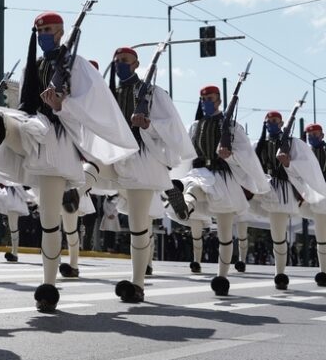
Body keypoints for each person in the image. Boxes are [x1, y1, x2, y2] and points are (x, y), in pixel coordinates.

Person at [0, 11, 138, 312]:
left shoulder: (77, 65)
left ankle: (48, 286)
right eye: (39, 29)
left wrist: (63, 104)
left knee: (49, 221)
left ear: (60, 32)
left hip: (58, 144)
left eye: (48, 29)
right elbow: (27, 104)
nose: (42, 33)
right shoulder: (39, 65)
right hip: (33, 132)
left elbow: (92, 110)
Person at [82, 46, 195, 303]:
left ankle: (138, 284)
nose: (120, 64)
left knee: (137, 225)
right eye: (117, 60)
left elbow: (172, 128)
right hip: (115, 155)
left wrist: (148, 124)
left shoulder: (153, 94)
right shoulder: (109, 95)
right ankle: (76, 194)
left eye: (125, 61)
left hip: (141, 162)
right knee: (90, 166)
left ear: (136, 64)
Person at [172, 85, 269, 296]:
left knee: (225, 234)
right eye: (203, 98)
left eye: (210, 98)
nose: (206, 101)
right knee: (192, 187)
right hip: (200, 171)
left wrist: (230, 155)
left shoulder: (232, 127)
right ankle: (185, 207)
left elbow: (247, 155)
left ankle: (222, 277)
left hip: (223, 178)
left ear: (219, 101)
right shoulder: (194, 126)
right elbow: (187, 152)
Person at [246, 111, 326, 289]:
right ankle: (280, 274)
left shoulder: (295, 144)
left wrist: (289, 164)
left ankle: (323, 271)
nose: (270, 124)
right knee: (277, 235)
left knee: (321, 235)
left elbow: (304, 169)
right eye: (268, 121)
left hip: (311, 193)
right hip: (274, 189)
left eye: (274, 121)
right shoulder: (262, 144)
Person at [298, 124, 326, 286]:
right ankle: (323, 271)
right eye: (310, 135)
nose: (313, 137)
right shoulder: (305, 155)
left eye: (315, 134)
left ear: (322, 135)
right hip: (317, 198)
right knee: (321, 238)